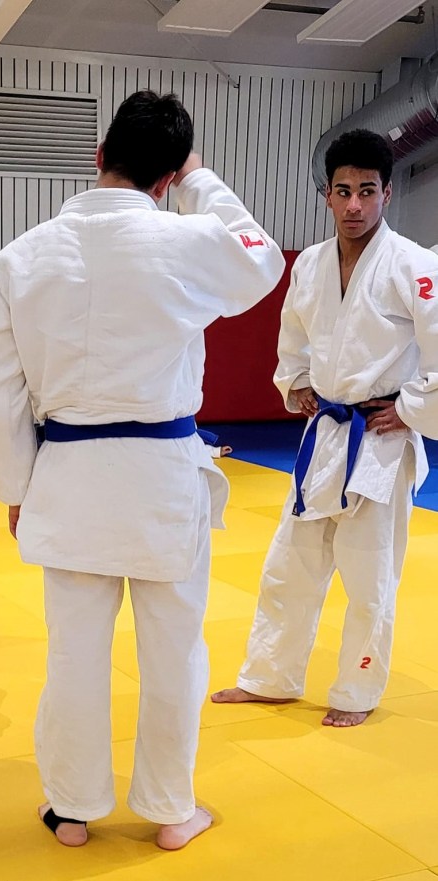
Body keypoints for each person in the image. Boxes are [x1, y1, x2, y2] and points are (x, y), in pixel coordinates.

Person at [0, 90, 284, 849]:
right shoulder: (187, 240)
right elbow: (263, 257)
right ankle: (171, 808)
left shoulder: (20, 256)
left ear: (99, 156)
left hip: (67, 473)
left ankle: (71, 807)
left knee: (74, 652)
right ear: (169, 177)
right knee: (174, 650)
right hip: (161, 476)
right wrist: (202, 182)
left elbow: (1, 391)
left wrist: (16, 488)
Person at [212, 129, 438, 727]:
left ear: (387, 193)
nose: (354, 204)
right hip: (328, 436)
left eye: (367, 190)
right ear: (327, 195)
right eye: (343, 191)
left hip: (380, 441)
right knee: (290, 566)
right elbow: (292, 337)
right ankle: (270, 677)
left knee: (369, 578)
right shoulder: (310, 264)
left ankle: (356, 692)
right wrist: (296, 382)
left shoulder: (416, 265)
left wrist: (412, 408)